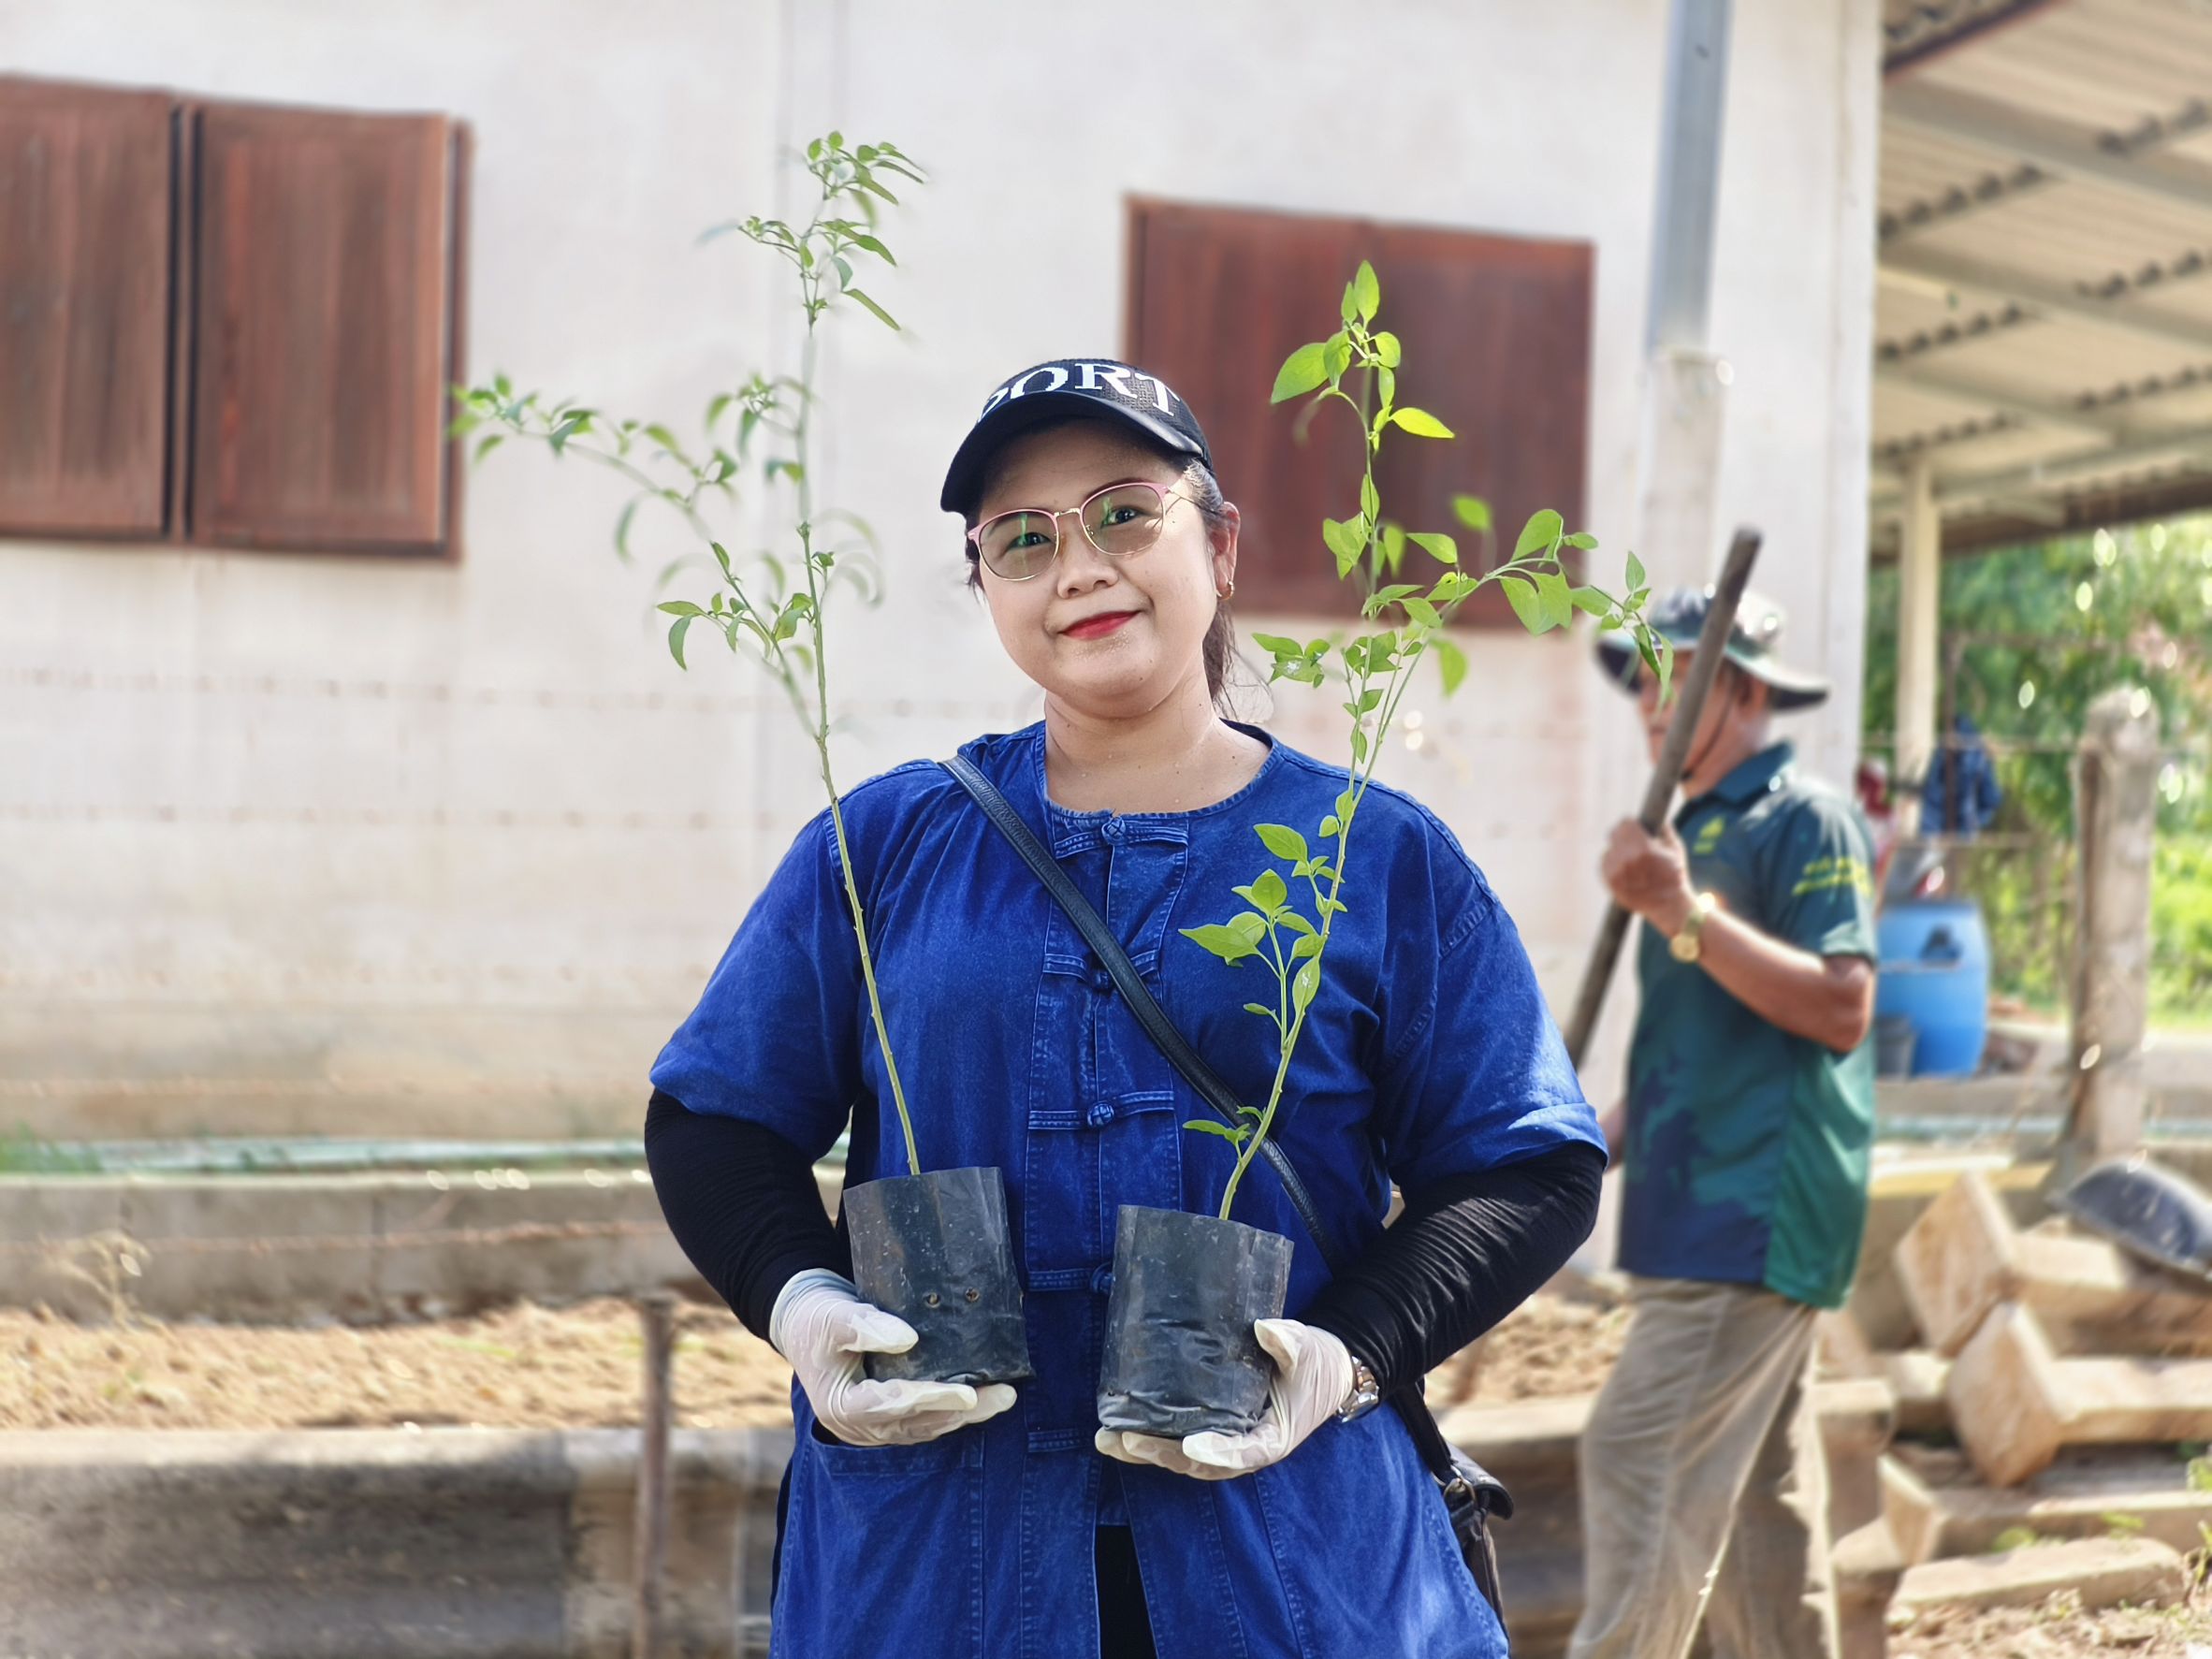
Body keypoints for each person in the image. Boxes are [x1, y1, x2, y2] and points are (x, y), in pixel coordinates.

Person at [643, 358, 1607, 1659]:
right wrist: (801, 1299)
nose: (1079, 569)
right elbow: (715, 1120)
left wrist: (1350, 1349)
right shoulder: (881, 848)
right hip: (939, 1576)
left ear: (1220, 544)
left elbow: (1527, 1167)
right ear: (985, 584)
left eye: (1124, 515)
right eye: (1023, 539)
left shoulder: (1370, 857)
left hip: (1295, 1571)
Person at [1569, 588, 1878, 1659]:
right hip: (1694, 1207)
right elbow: (1691, 1063)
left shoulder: (1802, 819)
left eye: (1677, 677)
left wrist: (1679, 911)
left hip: (1751, 1210)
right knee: (1757, 1517)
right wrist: (1576, 1145)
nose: (1652, 703)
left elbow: (1843, 1008)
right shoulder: (1692, 835)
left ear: (1743, 691)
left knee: (1635, 1456)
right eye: (1643, 681)